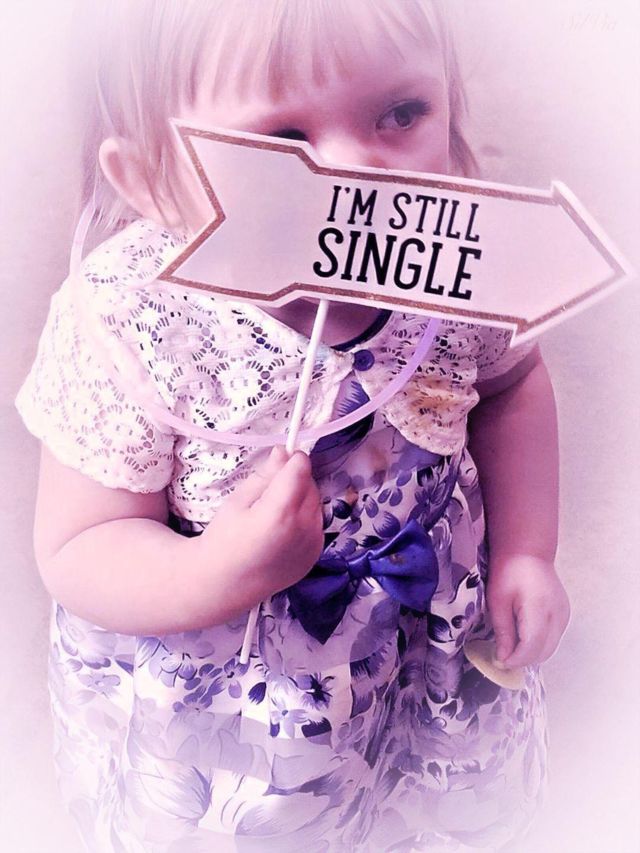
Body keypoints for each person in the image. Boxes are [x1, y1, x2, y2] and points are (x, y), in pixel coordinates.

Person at [15, 1, 571, 851]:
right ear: (156, 182)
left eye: (401, 113)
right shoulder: (139, 319)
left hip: (421, 633)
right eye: (282, 143)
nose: (357, 176)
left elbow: (513, 385)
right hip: (239, 682)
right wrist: (212, 571)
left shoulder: (460, 267)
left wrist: (528, 548)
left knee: (417, 813)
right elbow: (77, 544)